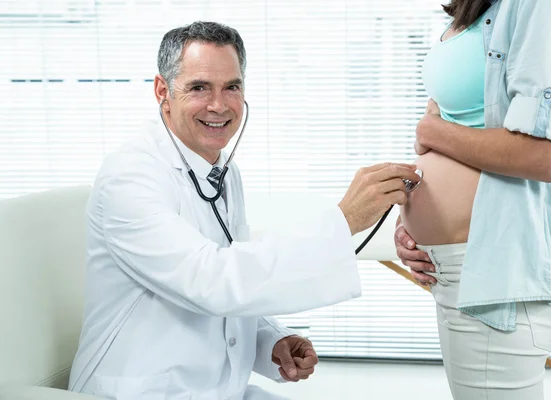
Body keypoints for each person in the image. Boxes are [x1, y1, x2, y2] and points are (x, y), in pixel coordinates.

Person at [67, 21, 420, 400]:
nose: (218, 105)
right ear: (162, 91)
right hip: (145, 390)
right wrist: (346, 219)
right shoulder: (129, 177)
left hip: (214, 387)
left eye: (231, 87)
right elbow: (211, 281)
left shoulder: (221, 170)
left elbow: (237, 269)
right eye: (200, 87)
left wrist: (271, 341)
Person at [394, 0, 551, 398]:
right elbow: (463, 125)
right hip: (461, 269)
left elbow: (542, 156)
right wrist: (412, 221)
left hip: (499, 269)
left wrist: (431, 133)